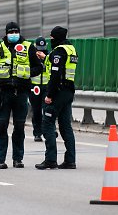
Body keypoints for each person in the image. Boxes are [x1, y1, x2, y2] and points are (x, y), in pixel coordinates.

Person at [0, 21, 43, 169]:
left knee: (19, 127)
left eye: (16, 32)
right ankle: (0, 159)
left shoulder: (28, 47)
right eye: (11, 32)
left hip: (21, 93)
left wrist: (27, 72)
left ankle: (18, 159)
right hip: (3, 93)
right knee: (1, 126)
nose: (14, 34)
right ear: (6, 33)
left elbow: (39, 67)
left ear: (19, 32)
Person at [35, 26, 78, 170]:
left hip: (57, 92)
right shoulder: (71, 49)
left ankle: (50, 160)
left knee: (47, 124)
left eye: (52, 38)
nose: (51, 40)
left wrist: (49, 95)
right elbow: (60, 65)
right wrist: (46, 57)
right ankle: (70, 160)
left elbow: (55, 75)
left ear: (57, 38)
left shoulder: (59, 51)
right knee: (66, 126)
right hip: (68, 92)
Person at [29, 36, 50, 142]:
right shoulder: (31, 56)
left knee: (47, 110)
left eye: (43, 47)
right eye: (39, 47)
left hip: (46, 86)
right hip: (34, 87)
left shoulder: (49, 55)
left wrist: (45, 58)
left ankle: (48, 131)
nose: (41, 50)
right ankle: (37, 133)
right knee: (36, 110)